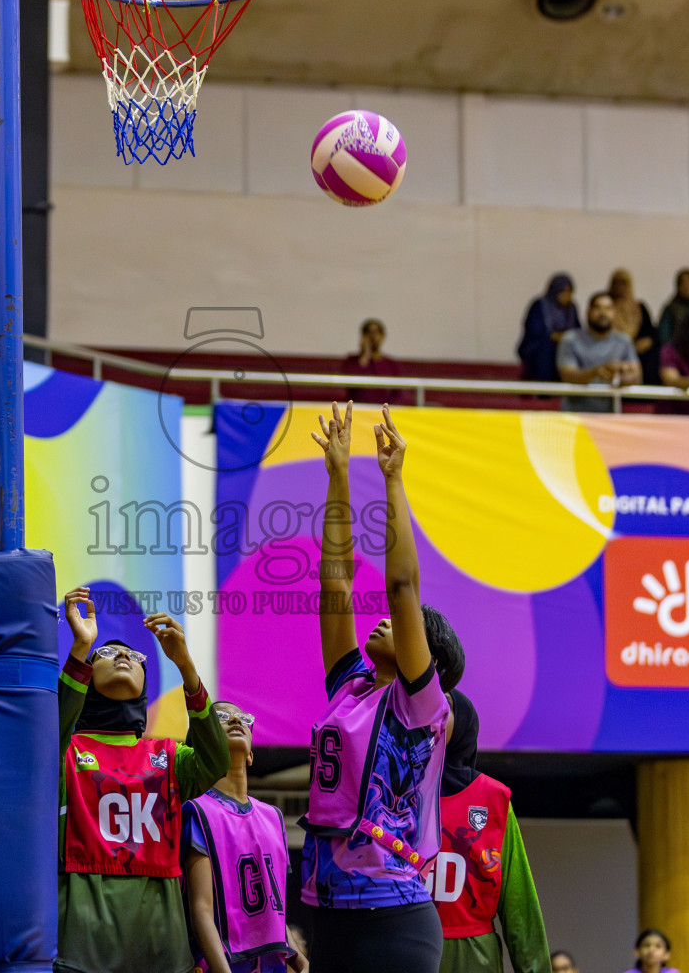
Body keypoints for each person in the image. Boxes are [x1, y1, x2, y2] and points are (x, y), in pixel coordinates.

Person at [303, 402, 466, 973]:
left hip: (394, 912)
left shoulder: (422, 704)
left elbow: (401, 582)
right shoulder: (351, 686)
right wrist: (339, 474)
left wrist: (393, 479)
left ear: (429, 655)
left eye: (404, 624)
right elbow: (335, 579)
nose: (386, 618)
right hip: (326, 905)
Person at [57, 589, 230, 973]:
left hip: (162, 950)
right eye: (107, 653)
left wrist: (186, 667)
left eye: (136, 656)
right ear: (87, 675)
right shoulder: (67, 749)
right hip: (85, 948)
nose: (123, 655)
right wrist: (81, 646)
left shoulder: (167, 756)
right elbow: (46, 733)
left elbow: (216, 760)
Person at [182, 701, 306, 973]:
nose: (236, 721)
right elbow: (201, 909)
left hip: (272, 963)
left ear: (251, 755)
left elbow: (274, 909)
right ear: (203, 746)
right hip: (222, 962)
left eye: (243, 718)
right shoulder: (198, 810)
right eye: (222, 717)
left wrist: (299, 958)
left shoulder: (274, 817)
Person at [431, 690, 549, 973]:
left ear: (464, 724)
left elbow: (519, 905)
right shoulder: (391, 791)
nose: (430, 711)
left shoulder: (493, 799)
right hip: (404, 947)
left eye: (442, 705)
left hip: (473, 955)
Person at [557, 292, 643, 412]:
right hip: (575, 415)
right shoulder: (571, 339)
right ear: (588, 312)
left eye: (608, 308)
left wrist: (619, 374)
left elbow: (636, 377)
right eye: (598, 308)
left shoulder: (623, 341)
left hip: (609, 416)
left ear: (614, 313)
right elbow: (568, 375)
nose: (603, 313)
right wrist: (599, 371)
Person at [519, 275, 580, 382]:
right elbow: (533, 330)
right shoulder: (539, 305)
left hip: (565, 343)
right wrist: (553, 336)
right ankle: (544, 387)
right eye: (563, 292)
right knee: (546, 350)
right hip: (539, 344)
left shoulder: (571, 308)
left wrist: (566, 337)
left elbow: (577, 329)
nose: (567, 296)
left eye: (569, 292)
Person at [607, 269, 659, 382]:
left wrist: (639, 344)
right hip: (613, 349)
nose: (620, 286)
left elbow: (651, 333)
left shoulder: (639, 307)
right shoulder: (606, 308)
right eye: (617, 283)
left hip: (639, 351)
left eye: (623, 283)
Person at [340, 318, 406, 403]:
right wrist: (364, 357)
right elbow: (349, 386)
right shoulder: (352, 361)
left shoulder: (392, 365)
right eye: (369, 332)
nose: (372, 337)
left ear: (382, 336)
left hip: (384, 411)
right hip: (358, 409)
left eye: (376, 332)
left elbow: (398, 393)